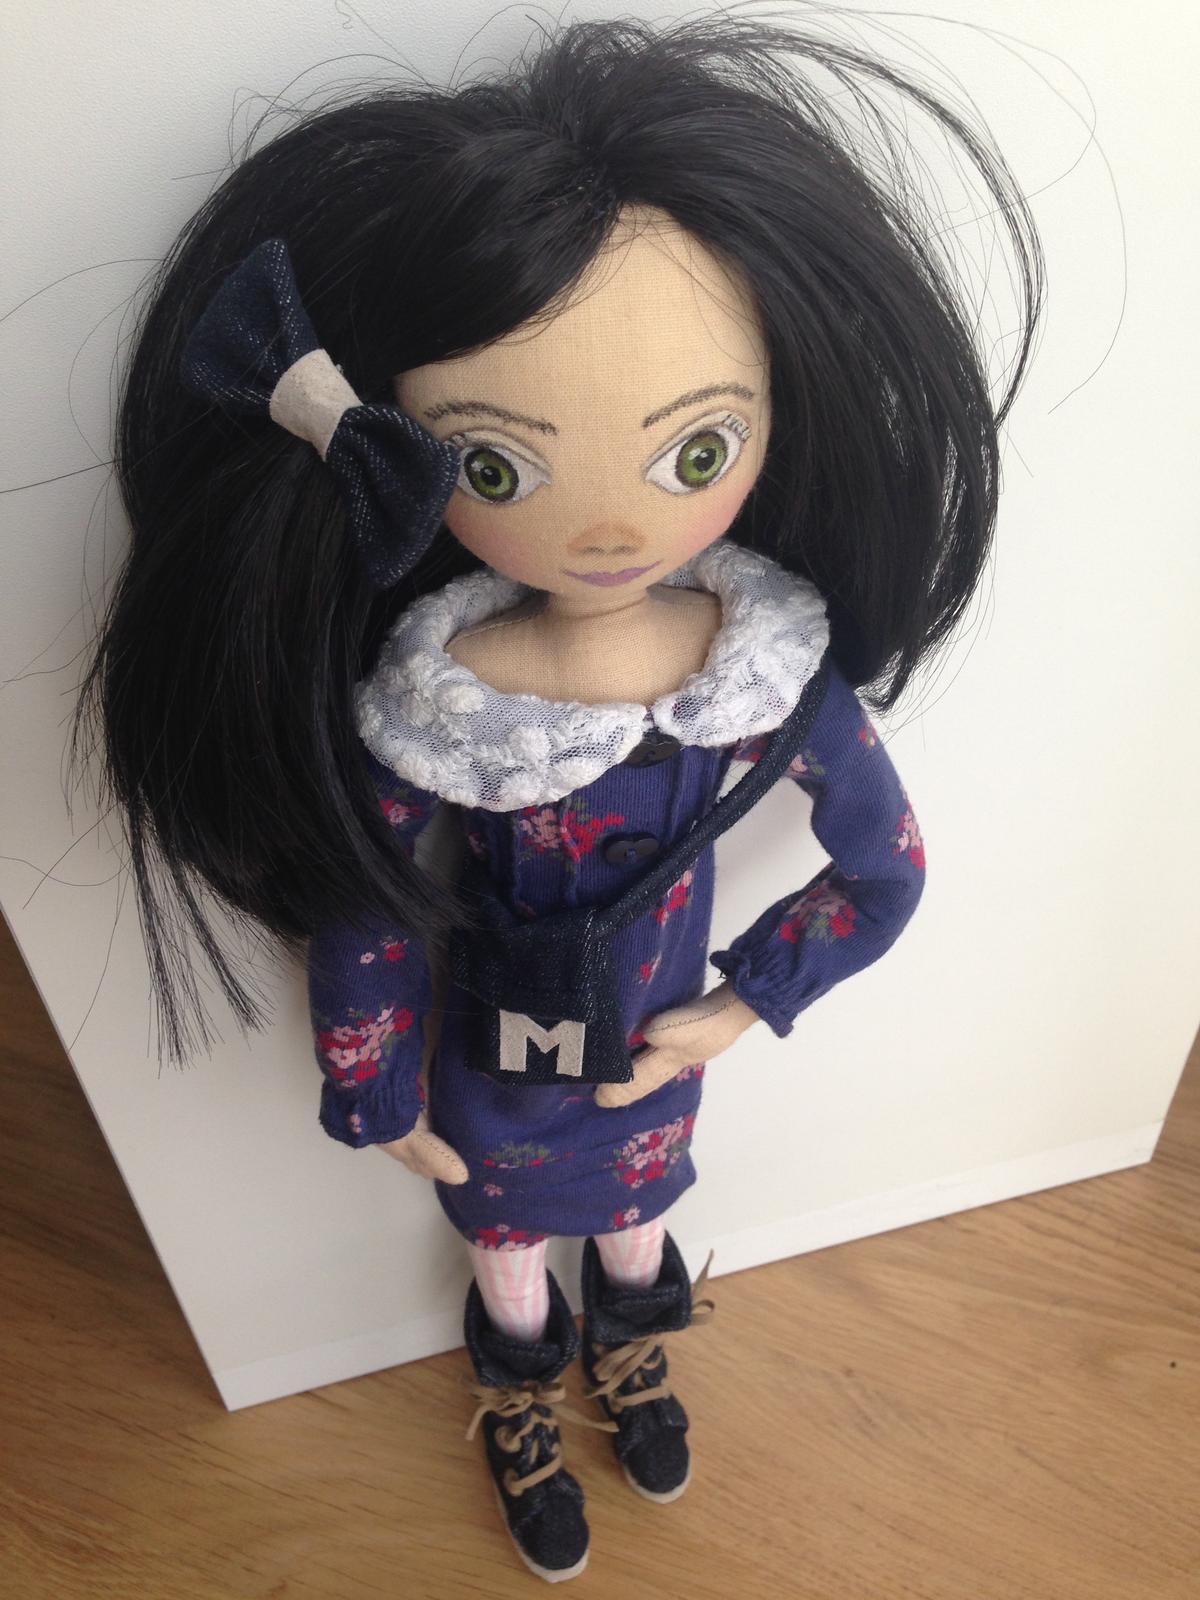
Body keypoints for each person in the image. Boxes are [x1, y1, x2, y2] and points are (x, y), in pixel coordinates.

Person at [78, 13, 1042, 1584]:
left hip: (653, 1047)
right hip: (495, 1057)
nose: (606, 528)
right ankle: (523, 1394)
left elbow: (884, 868)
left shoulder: (763, 677)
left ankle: (635, 1351)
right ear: (397, 457)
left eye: (695, 449)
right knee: (509, 1243)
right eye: (498, 467)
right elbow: (368, 905)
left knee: (639, 1220)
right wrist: (376, 1085)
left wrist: (742, 1004)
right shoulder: (436, 710)